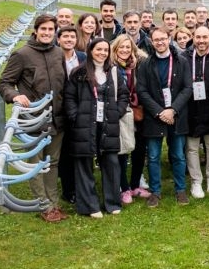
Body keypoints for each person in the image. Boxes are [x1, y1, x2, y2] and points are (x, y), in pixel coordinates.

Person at [0, 14, 68, 222]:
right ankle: (43, 205)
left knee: (52, 163)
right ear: (36, 30)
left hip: (57, 118)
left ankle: (54, 203)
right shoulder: (22, 54)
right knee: (36, 164)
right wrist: (14, 96)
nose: (47, 33)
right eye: (43, 29)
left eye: (50, 29)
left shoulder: (57, 53)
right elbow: (4, 83)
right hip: (33, 119)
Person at [62, 37, 126, 217]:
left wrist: (116, 112)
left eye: (106, 50)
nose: (102, 53)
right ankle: (90, 206)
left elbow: (123, 95)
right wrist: (75, 117)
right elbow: (69, 98)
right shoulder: (79, 73)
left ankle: (112, 203)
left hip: (108, 125)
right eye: (99, 49)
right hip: (84, 126)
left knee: (111, 163)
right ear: (91, 51)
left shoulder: (113, 72)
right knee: (84, 164)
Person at [136, 27, 192, 207]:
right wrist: (160, 112)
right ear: (151, 42)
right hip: (155, 116)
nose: (160, 42)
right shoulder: (145, 63)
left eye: (163, 39)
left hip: (177, 115)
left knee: (177, 155)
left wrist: (172, 110)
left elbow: (187, 88)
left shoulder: (182, 61)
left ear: (169, 39)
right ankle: (156, 191)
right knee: (153, 156)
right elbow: (142, 91)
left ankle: (180, 190)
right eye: (156, 40)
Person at [111, 34, 148, 203]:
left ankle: (135, 185)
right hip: (122, 113)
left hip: (139, 112)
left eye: (128, 47)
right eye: (121, 47)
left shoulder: (139, 65)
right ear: (115, 49)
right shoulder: (111, 67)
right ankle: (123, 188)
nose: (125, 50)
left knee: (140, 150)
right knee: (123, 151)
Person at [185, 25, 209, 199]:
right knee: (192, 147)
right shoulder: (185, 57)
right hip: (191, 108)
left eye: (204, 37)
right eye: (198, 37)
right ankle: (196, 181)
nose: (201, 41)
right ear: (193, 37)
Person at [56, 27, 86, 206]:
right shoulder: (53, 58)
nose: (69, 39)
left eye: (72, 36)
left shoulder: (83, 58)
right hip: (60, 111)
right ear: (58, 39)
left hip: (81, 110)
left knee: (80, 151)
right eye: (65, 36)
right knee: (65, 153)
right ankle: (69, 190)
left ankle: (81, 187)